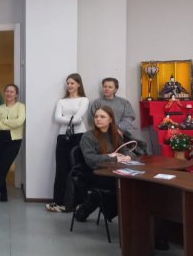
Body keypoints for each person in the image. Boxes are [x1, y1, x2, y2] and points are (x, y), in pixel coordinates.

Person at [75, 106, 136, 222]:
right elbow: (91, 160)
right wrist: (112, 157)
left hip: (111, 172)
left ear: (110, 119)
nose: (98, 119)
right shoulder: (88, 136)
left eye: (102, 117)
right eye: (96, 117)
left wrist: (128, 156)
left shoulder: (114, 134)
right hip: (94, 174)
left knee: (131, 182)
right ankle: (128, 221)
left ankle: (86, 208)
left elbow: (126, 150)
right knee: (123, 185)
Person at [47, 73, 89, 213]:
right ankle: (59, 202)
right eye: (68, 83)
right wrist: (72, 118)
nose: (69, 86)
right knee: (61, 169)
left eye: (72, 83)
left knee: (78, 169)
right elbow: (57, 118)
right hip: (63, 136)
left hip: (79, 136)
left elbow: (77, 120)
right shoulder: (61, 101)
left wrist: (66, 117)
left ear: (78, 84)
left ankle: (79, 203)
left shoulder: (84, 100)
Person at [0, 84, 25, 207]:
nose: (9, 93)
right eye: (7, 91)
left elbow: (19, 122)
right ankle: (3, 193)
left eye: (12, 92)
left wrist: (4, 122)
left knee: (3, 167)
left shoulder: (21, 107)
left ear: (16, 94)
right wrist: (10, 124)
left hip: (14, 140)